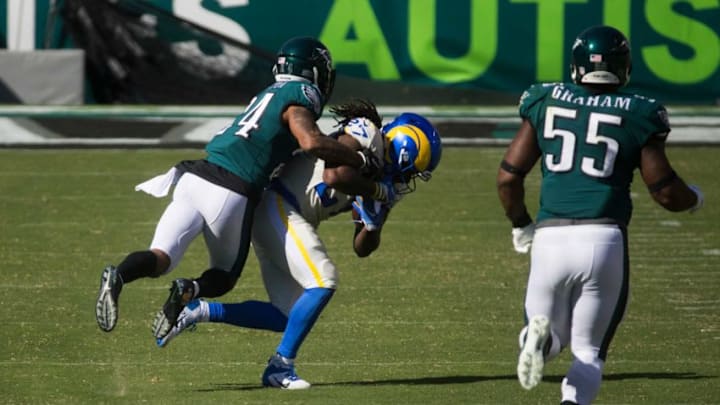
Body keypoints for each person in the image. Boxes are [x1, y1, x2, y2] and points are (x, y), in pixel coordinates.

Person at [94, 37, 390, 336]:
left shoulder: (270, 92)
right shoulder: (304, 93)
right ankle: (189, 290)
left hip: (194, 176)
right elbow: (311, 141)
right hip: (231, 188)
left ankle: (119, 275)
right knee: (224, 277)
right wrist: (360, 159)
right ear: (314, 73)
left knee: (160, 258)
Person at [155, 103, 442, 390]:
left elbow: (361, 248)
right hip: (279, 204)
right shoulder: (368, 133)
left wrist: (374, 223)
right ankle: (281, 366)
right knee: (323, 280)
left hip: (285, 216)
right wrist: (377, 191)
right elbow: (335, 175)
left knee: (287, 314)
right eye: (412, 171)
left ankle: (197, 310)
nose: (408, 180)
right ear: (405, 151)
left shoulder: (383, 182)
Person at [496, 25, 704, 405]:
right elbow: (664, 191)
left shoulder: (544, 100)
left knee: (544, 337)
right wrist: (695, 200)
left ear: (576, 67)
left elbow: (508, 178)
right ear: (623, 68)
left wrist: (521, 225)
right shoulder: (640, 112)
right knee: (589, 352)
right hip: (603, 239)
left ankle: (535, 339)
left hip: (550, 238)